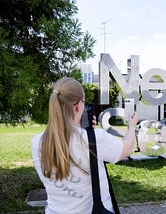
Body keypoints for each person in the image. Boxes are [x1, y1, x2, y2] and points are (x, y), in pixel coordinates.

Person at [31, 77, 138, 214]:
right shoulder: (94, 139)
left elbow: (66, 141)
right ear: (78, 106)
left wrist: (81, 129)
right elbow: (127, 148)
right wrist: (132, 126)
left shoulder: (37, 142)